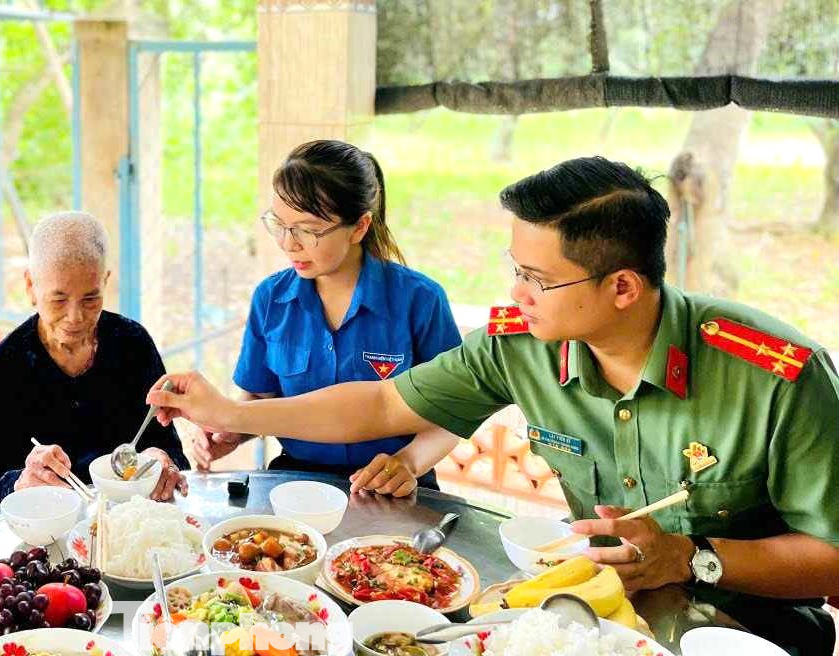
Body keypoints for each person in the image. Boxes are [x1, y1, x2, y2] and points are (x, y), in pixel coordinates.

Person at [148, 156, 839, 655]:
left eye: (537, 279)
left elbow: (832, 557)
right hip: (586, 615)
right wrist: (232, 415)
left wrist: (690, 557)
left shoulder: (776, 376)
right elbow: (382, 404)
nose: (515, 297)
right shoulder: (521, 344)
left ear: (623, 288)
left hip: (743, 631)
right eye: (515, 269)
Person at [193, 140, 462, 496]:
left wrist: (410, 462)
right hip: (295, 480)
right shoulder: (271, 298)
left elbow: (454, 412)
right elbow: (259, 398)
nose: (289, 244)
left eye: (308, 229)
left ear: (359, 227)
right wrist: (230, 432)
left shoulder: (420, 301)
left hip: (391, 482)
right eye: (280, 224)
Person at [0, 211, 189, 519]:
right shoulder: (2, 371)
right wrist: (19, 484)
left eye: (91, 299)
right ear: (30, 287)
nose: (76, 317)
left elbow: (173, 456)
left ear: (105, 281)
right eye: (58, 300)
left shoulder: (132, 344)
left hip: (128, 527)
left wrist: (162, 461)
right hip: (44, 537)